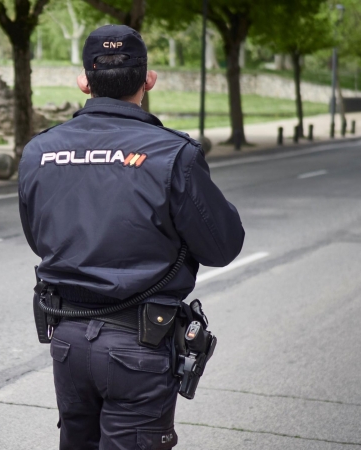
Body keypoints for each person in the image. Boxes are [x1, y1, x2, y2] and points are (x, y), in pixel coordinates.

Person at [18, 25, 244, 449]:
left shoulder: (38, 151)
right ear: (148, 80)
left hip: (67, 341)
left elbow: (39, 238)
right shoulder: (173, 154)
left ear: (85, 81)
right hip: (139, 347)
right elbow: (223, 246)